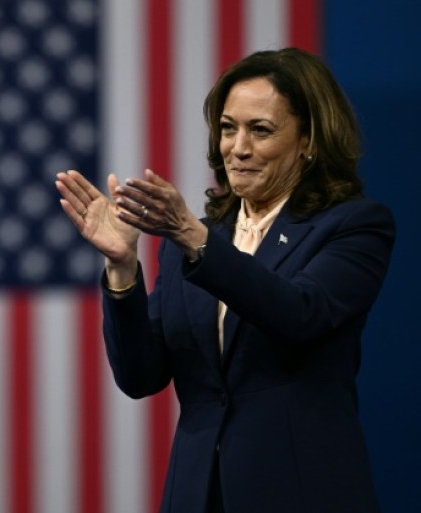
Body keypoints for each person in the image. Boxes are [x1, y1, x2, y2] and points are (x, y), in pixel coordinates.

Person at [56, 47, 394, 513]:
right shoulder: (190, 241)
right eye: (228, 128)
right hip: (197, 493)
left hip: (300, 490)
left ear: (309, 141)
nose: (237, 148)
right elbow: (141, 376)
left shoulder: (354, 226)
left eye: (261, 130)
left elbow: (299, 314)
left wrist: (194, 239)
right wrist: (122, 267)